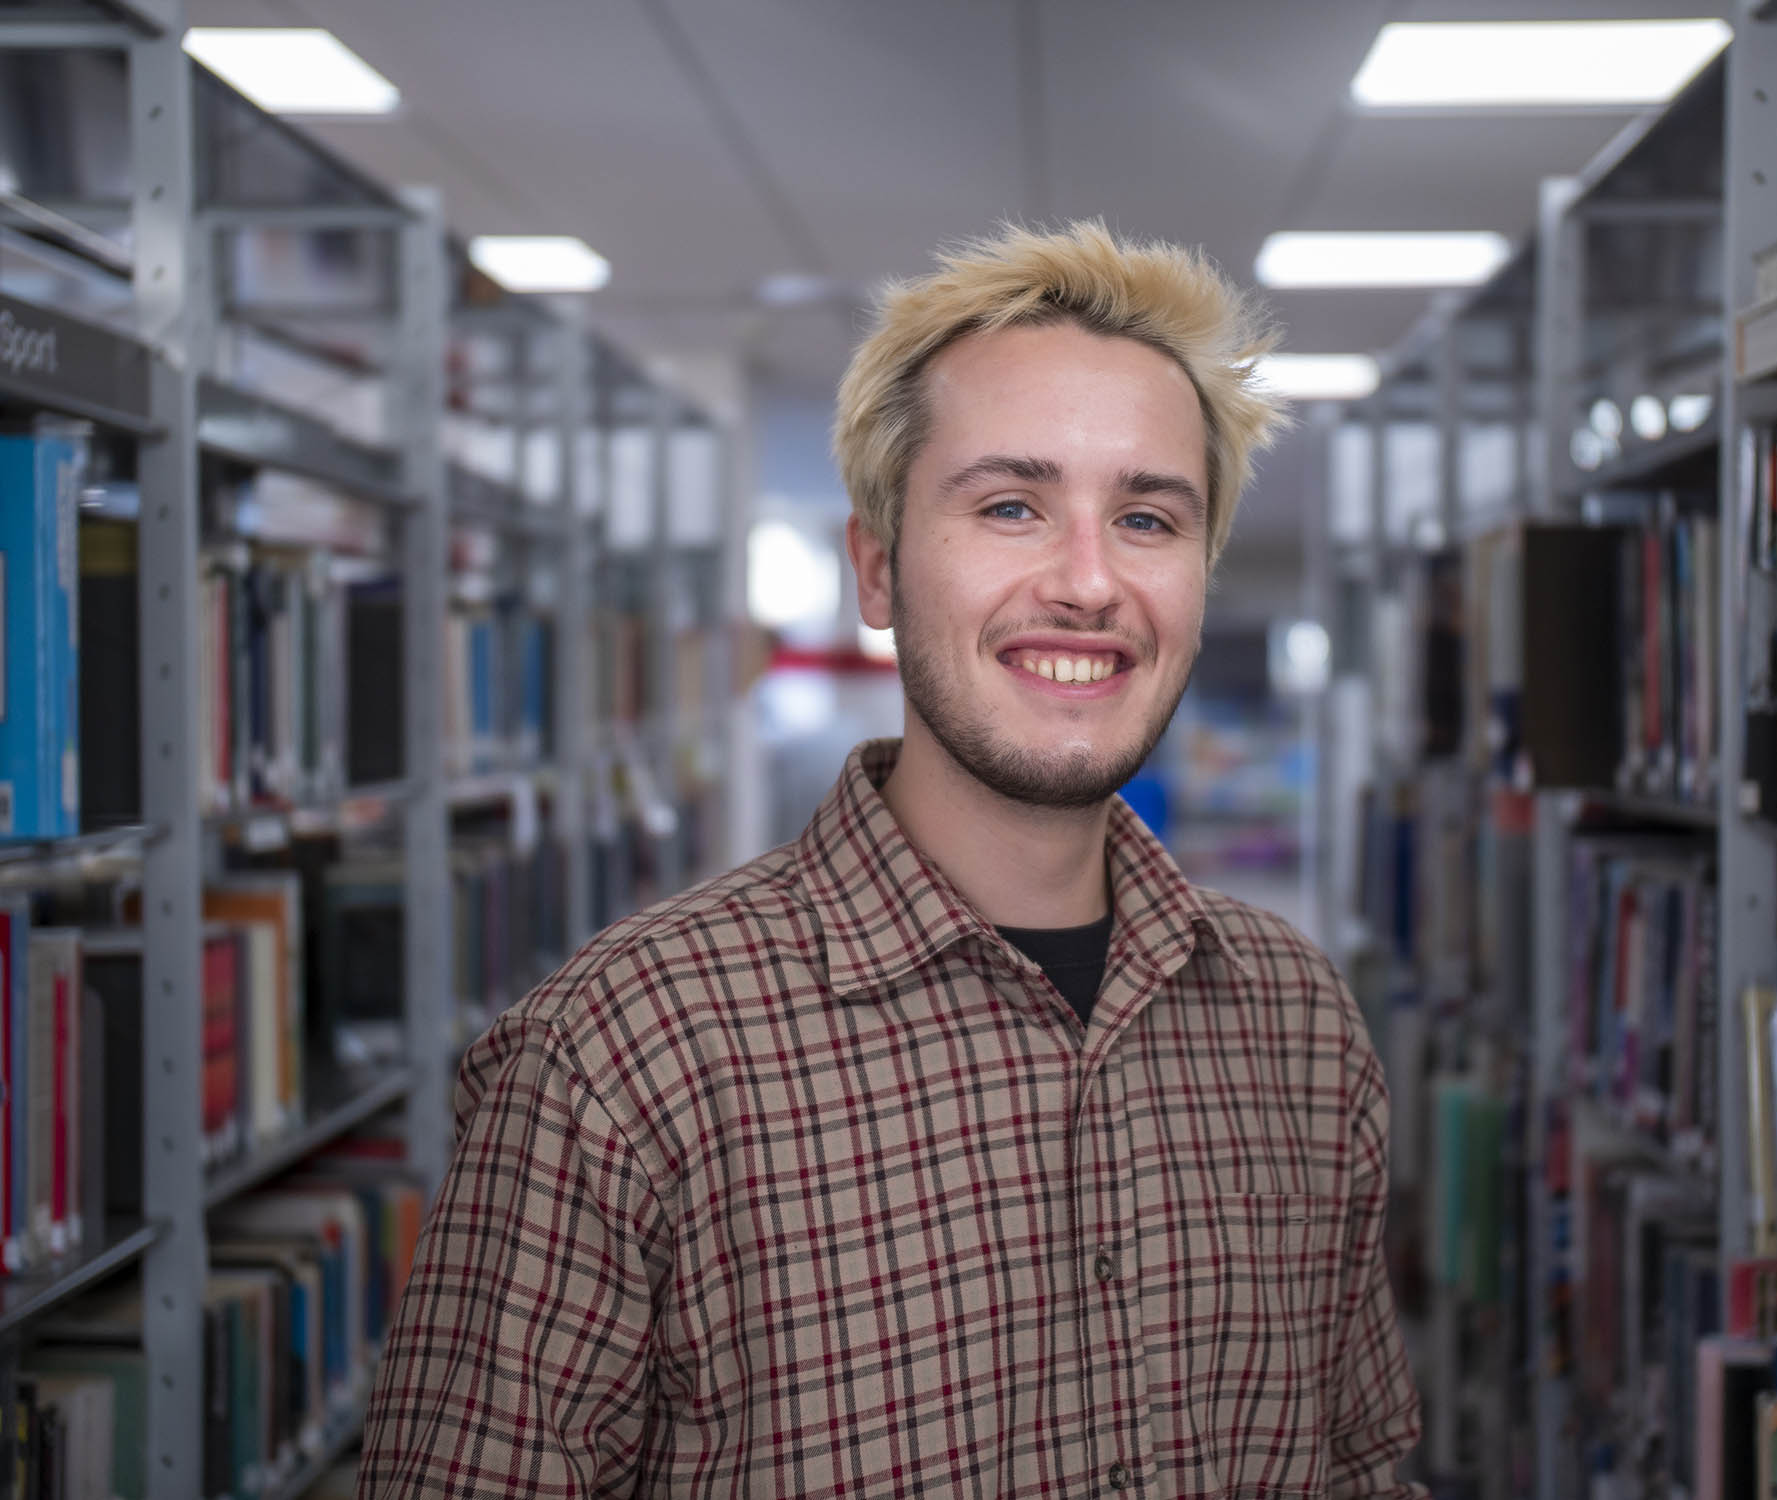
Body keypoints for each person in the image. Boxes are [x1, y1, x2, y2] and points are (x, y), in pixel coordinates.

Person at [356, 220, 1423, 1499]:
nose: (1087, 583)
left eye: (1145, 517)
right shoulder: (624, 1058)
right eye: (1012, 506)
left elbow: (1363, 1471)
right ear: (877, 567)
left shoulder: (1295, 1024)